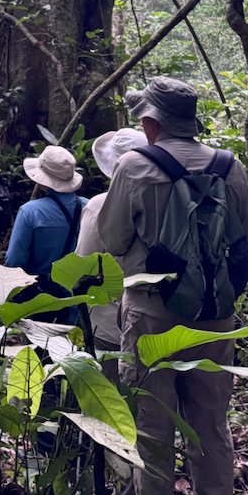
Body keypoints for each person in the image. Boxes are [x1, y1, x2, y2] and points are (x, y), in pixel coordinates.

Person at [97, 77, 248, 495]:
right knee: (211, 425)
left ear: (152, 122)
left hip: (152, 314)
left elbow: (113, 239)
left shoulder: (134, 166)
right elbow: (246, 239)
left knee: (152, 428)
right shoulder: (230, 166)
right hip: (215, 314)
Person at [77, 128, 149, 364]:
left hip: (108, 324)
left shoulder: (99, 205)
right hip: (155, 320)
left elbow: (83, 264)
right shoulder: (165, 201)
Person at [3, 145, 87, 279]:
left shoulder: (30, 212)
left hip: (40, 289)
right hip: (82, 288)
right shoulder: (89, 207)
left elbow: (14, 260)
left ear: (43, 180)